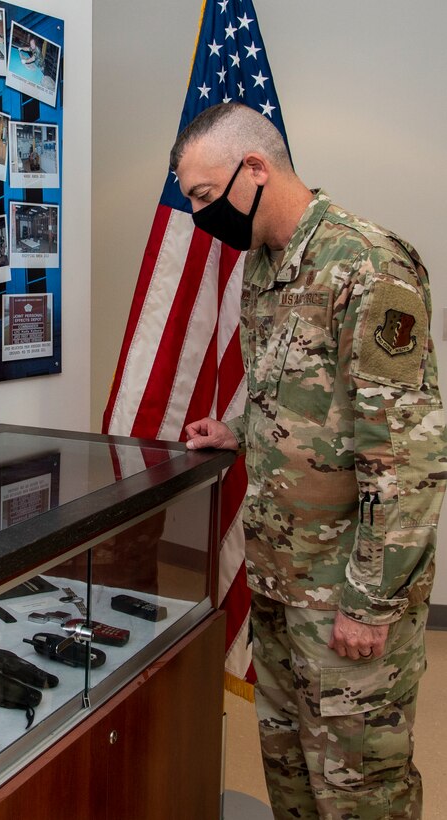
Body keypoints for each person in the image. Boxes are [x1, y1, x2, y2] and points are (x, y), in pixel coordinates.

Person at [174, 102, 445, 819]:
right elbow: (292, 388)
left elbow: (408, 456)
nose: (200, 216)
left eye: (204, 195)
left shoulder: (368, 264)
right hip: (280, 577)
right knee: (291, 771)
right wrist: (238, 429)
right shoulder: (262, 266)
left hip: (347, 596)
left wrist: (370, 603)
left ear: (255, 167)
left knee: (358, 793)